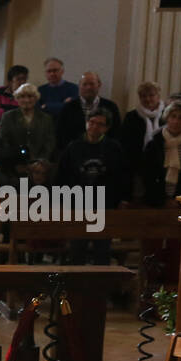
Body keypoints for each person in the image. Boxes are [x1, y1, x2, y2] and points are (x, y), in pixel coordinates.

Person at [57, 108, 129, 263]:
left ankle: (99, 286)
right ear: (86, 123)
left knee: (102, 250)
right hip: (78, 205)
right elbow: (63, 175)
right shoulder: (73, 147)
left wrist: (121, 199)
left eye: (100, 124)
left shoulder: (113, 148)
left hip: (104, 205)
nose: (94, 126)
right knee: (77, 250)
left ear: (106, 128)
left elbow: (122, 176)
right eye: (92, 122)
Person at [142, 102, 181, 206]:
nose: (176, 121)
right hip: (155, 200)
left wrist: (179, 200)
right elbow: (147, 173)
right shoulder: (154, 144)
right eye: (173, 116)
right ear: (167, 118)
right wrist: (162, 200)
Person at [56, 71, 122, 150]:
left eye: (92, 84)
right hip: (74, 154)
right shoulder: (68, 107)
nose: (88, 87)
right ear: (79, 86)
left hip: (104, 153)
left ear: (99, 85)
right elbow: (60, 134)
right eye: (85, 84)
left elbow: (116, 133)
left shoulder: (110, 107)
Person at [0, 83, 56, 170]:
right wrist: (15, 161)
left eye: (30, 96)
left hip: (40, 167)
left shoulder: (46, 118)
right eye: (22, 96)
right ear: (17, 99)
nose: (26, 100)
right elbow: (4, 141)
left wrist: (39, 162)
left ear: (36, 98)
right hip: (14, 165)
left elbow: (49, 143)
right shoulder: (8, 117)